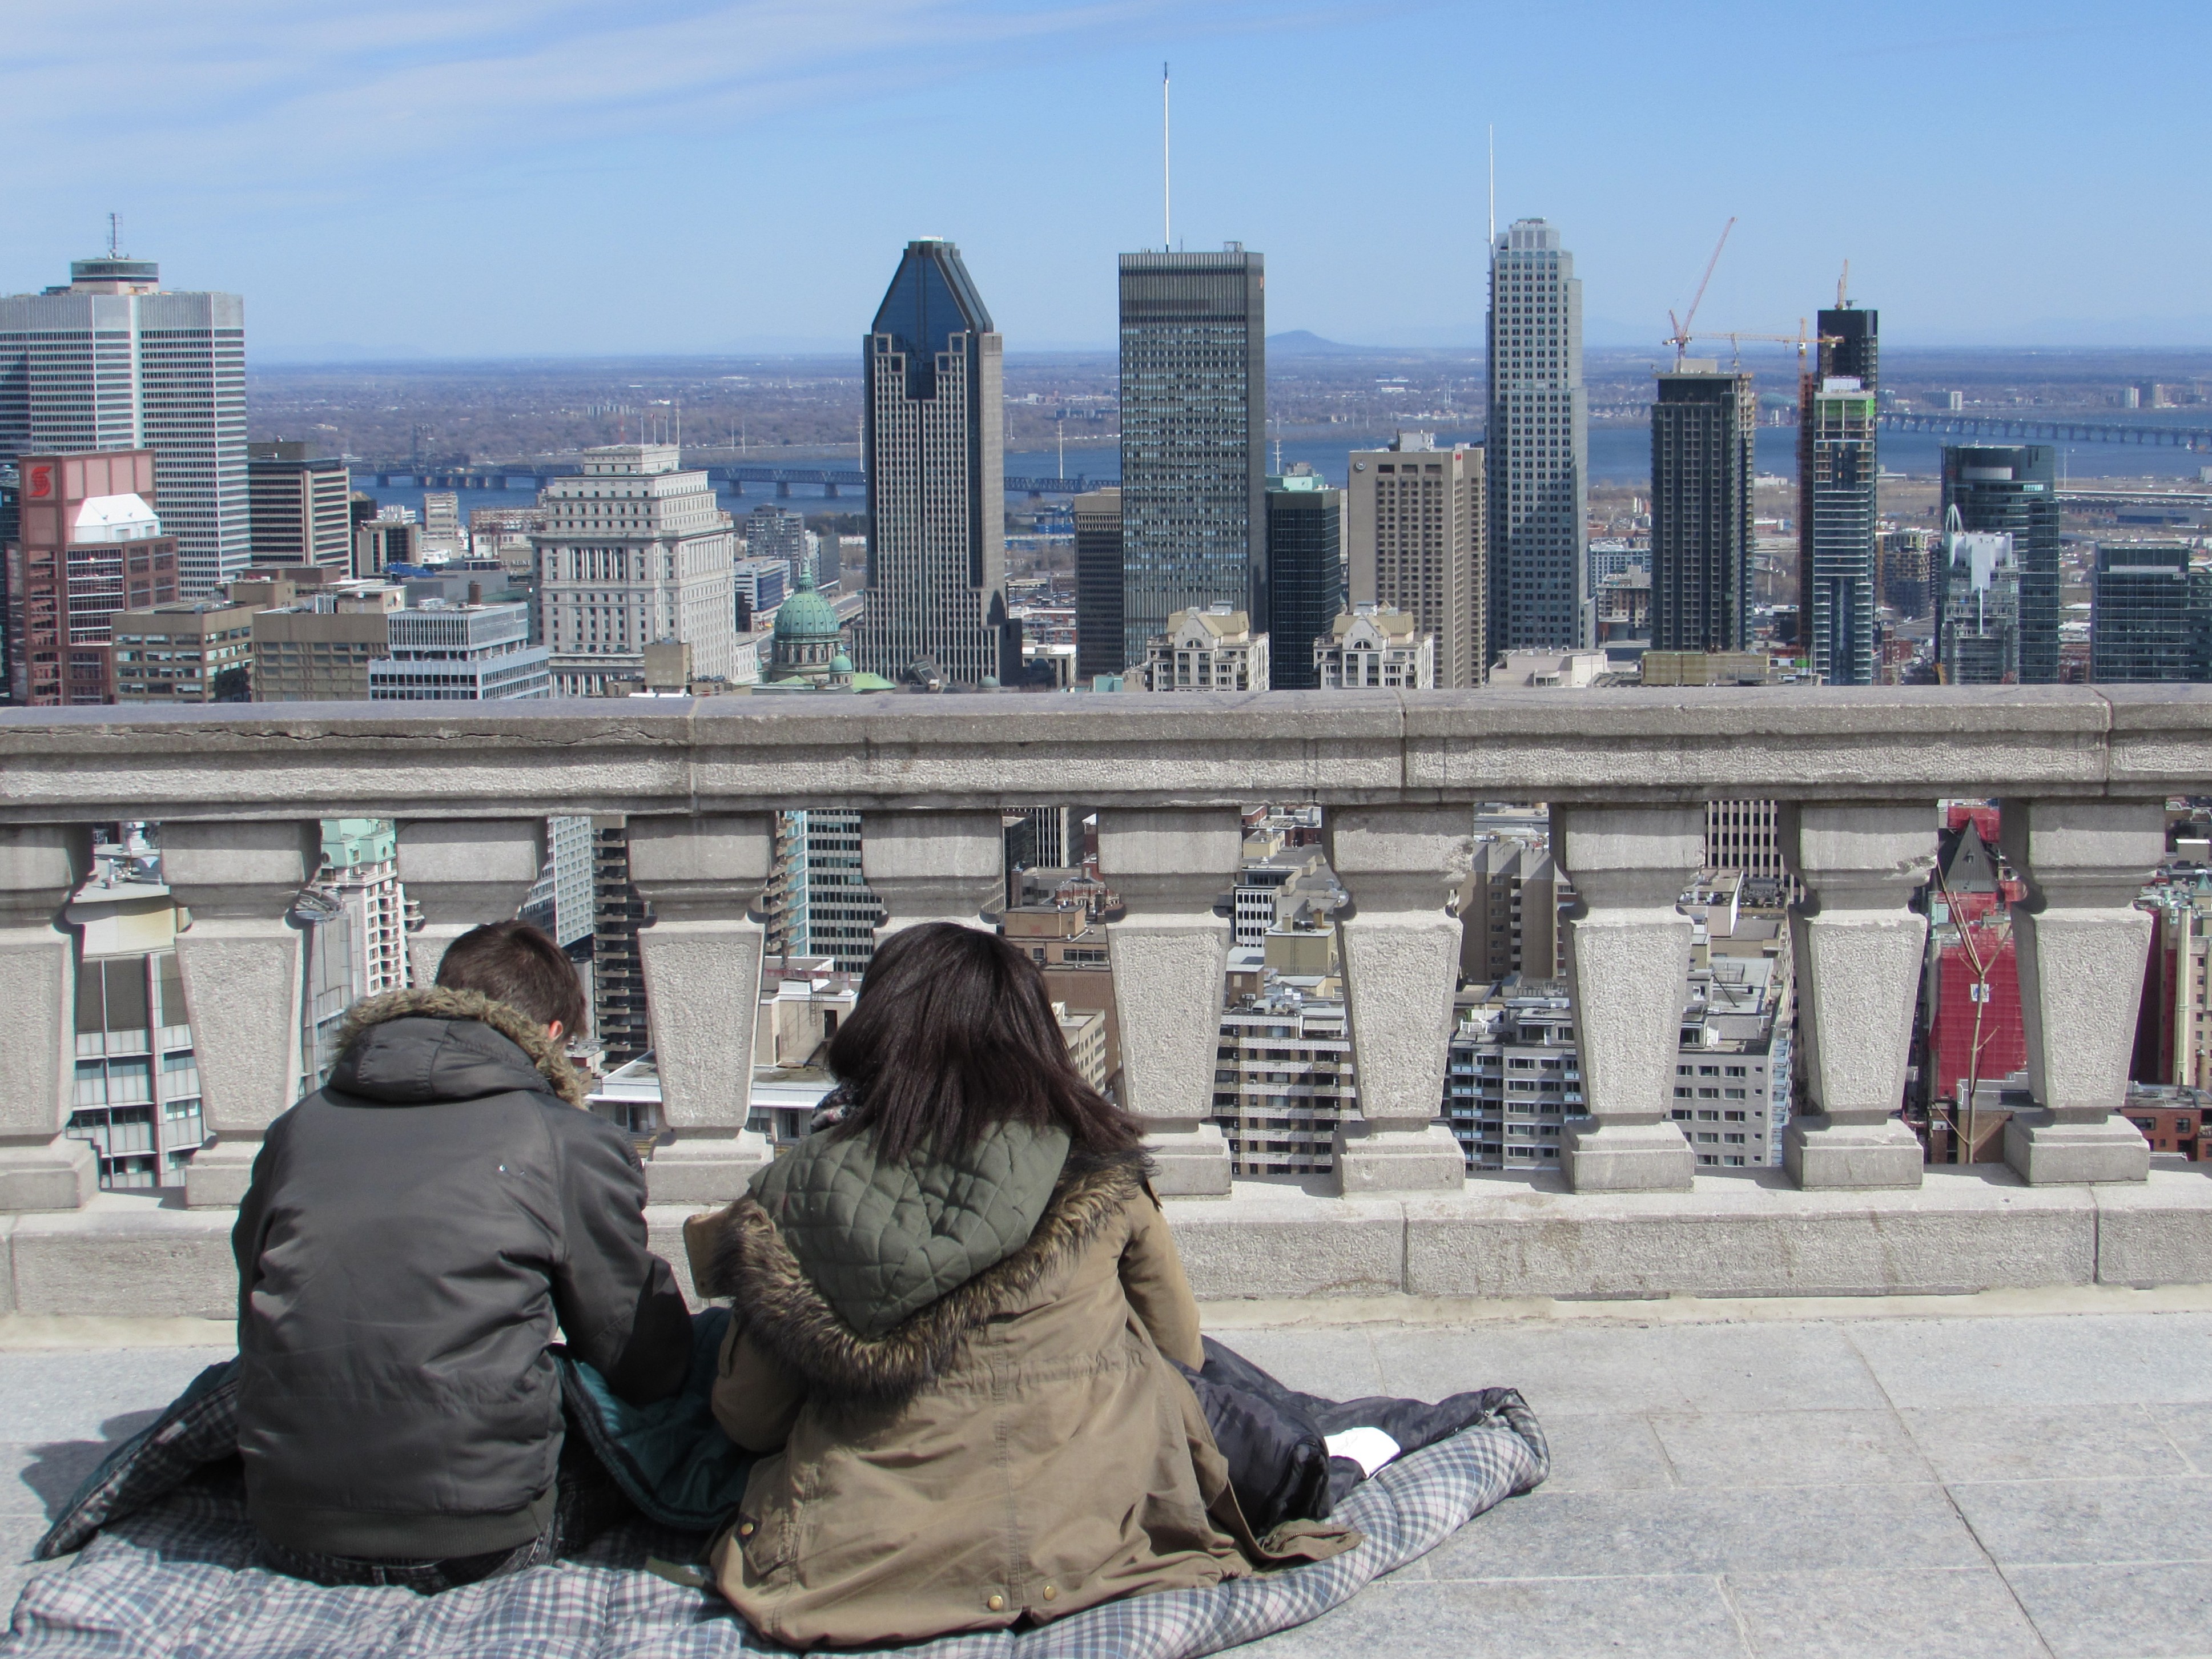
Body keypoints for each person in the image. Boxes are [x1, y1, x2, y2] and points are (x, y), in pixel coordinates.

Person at [686, 923, 1359, 1649]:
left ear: (876, 1029)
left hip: (863, 1567)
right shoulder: (1099, 1161)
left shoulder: (794, 1194)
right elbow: (1180, 1354)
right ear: (1031, 1036)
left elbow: (749, 1417)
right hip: (1103, 1531)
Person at [233, 920, 691, 1592]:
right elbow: (636, 1355)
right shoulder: (566, 1138)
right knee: (694, 1392)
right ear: (552, 1036)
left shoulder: (299, 1126)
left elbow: (253, 1301)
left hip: (290, 1526)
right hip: (478, 1539)